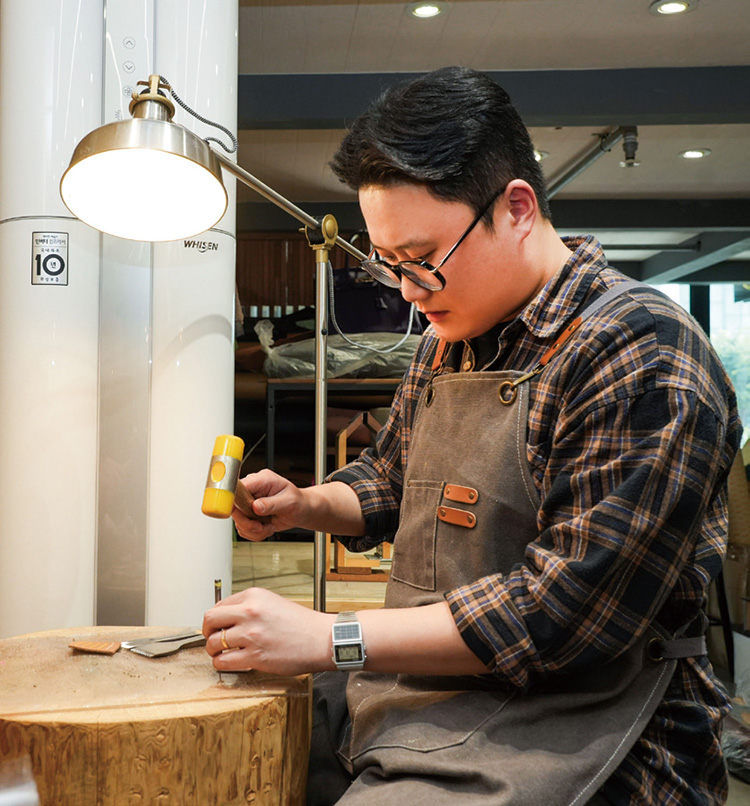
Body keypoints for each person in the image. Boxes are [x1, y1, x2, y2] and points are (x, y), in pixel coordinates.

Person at [202, 67, 741, 805]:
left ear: (516, 207)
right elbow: (392, 477)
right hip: (431, 690)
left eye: (422, 261)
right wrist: (306, 504)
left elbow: (558, 615)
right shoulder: (448, 339)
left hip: (591, 727)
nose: (408, 292)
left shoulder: (639, 352)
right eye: (391, 266)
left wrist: (333, 635)